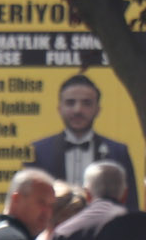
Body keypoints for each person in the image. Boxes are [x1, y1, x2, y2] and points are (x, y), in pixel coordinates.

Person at [29, 75, 138, 210]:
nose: (78, 110)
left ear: (98, 109)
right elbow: (30, 203)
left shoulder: (118, 152)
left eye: (86, 103)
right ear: (59, 108)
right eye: (70, 103)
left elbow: (131, 205)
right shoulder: (39, 151)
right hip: (54, 229)